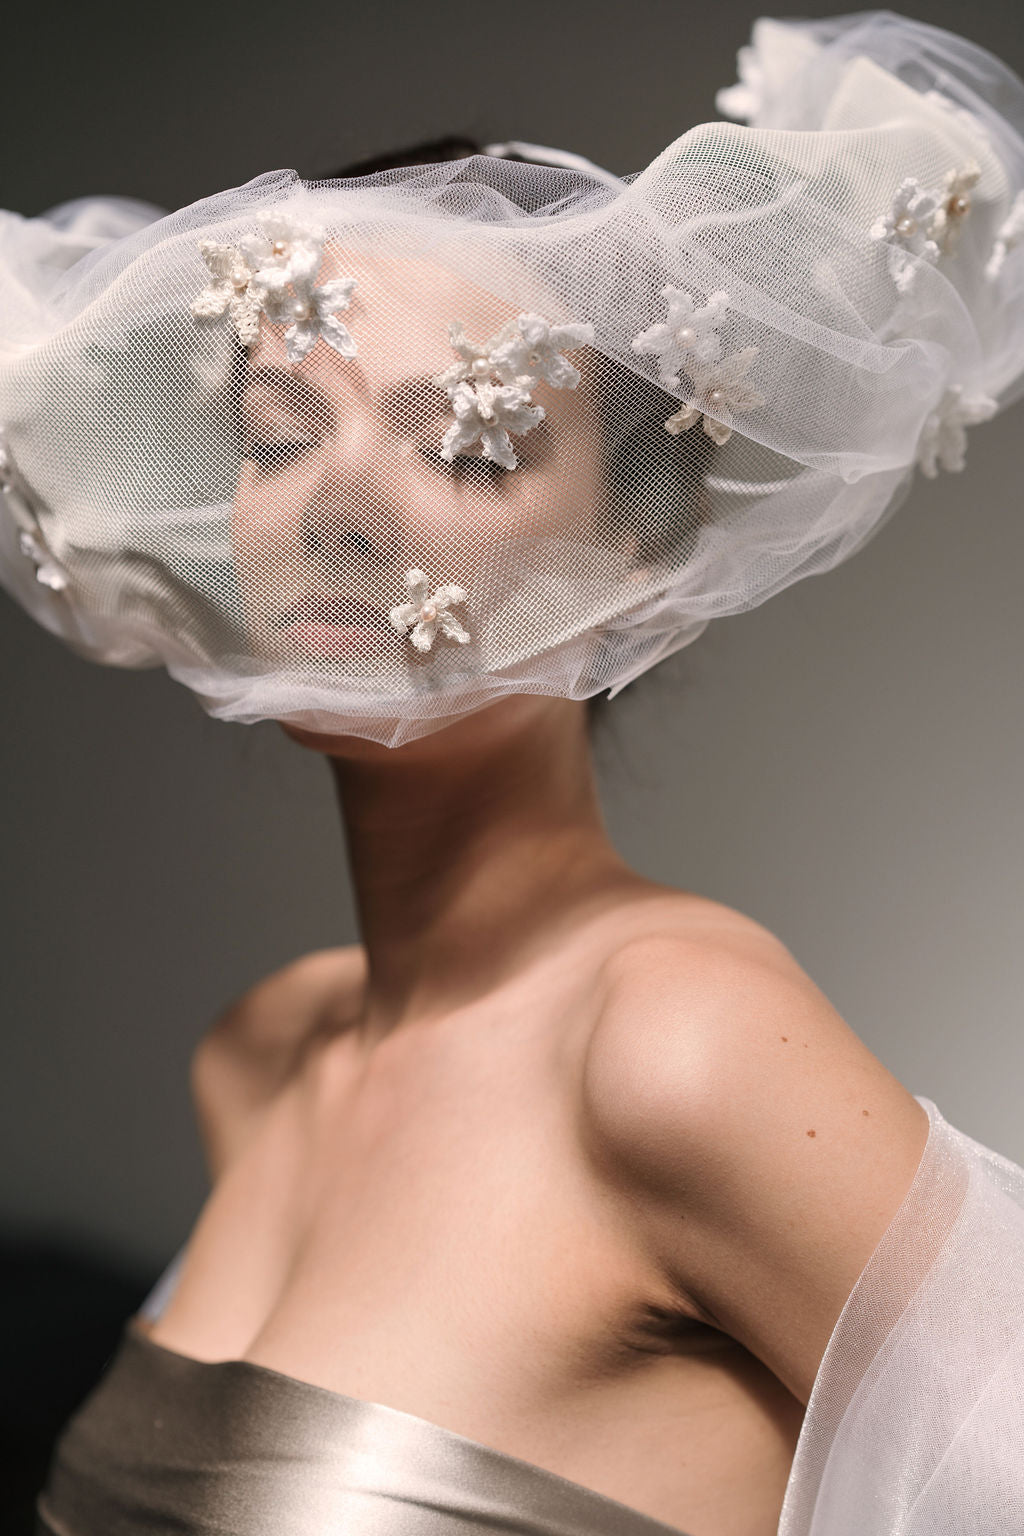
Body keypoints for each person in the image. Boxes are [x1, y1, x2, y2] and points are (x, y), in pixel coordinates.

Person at [2, 12, 1022, 1535]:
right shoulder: (260, 1058)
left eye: (466, 446)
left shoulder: (674, 1048)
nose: (339, 507)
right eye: (281, 437)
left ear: (638, 545)